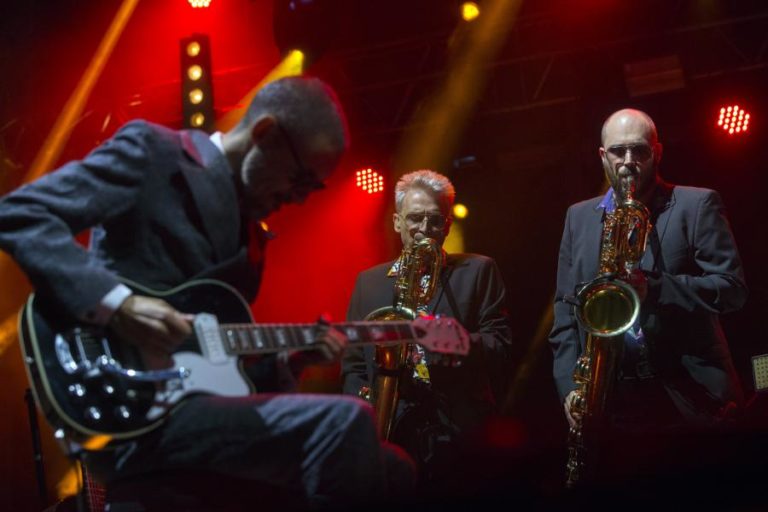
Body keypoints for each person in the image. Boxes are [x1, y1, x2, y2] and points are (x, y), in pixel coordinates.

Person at [0, 76, 415, 509]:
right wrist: (119, 305)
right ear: (264, 133)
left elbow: (218, 367)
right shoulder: (155, 152)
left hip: (194, 409)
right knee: (347, 422)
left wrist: (291, 361)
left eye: (311, 190)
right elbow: (22, 214)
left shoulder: (251, 232)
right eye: (299, 180)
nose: (298, 200)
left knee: (395, 469)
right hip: (125, 397)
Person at [549, 108, 747, 482]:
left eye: (638, 151)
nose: (627, 163)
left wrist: (654, 288)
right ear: (602, 156)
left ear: (657, 151)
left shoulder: (697, 204)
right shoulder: (577, 217)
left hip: (691, 398)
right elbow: (565, 310)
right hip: (612, 402)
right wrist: (570, 390)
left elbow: (732, 289)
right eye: (618, 152)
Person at [340, 169, 512, 487]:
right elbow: (352, 364)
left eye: (435, 220)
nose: (425, 230)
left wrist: (460, 342)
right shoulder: (368, 282)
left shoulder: (478, 270)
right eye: (415, 218)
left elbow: (500, 346)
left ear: (447, 224)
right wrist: (369, 407)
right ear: (397, 223)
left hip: (460, 431)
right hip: (393, 429)